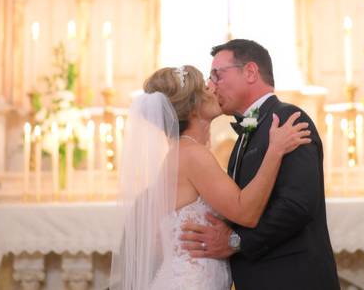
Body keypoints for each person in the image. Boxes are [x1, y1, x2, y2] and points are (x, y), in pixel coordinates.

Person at [110, 65, 311, 289]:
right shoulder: (192, 154)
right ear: (194, 106)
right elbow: (246, 213)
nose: (213, 90)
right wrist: (275, 151)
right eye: (206, 87)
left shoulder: (182, 152)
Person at [180, 39, 340, 289]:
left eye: (217, 75)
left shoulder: (289, 120)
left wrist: (235, 241)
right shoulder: (246, 134)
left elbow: (297, 205)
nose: (211, 86)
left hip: (292, 279)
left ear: (251, 72)